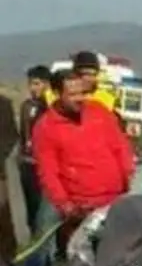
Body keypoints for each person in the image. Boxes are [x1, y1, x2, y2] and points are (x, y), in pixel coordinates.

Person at [30, 69, 135, 244]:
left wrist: (131, 178)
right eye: (72, 94)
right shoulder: (46, 127)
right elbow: (48, 173)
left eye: (82, 93)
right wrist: (66, 206)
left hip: (116, 203)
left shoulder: (99, 112)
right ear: (57, 94)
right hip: (83, 209)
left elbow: (121, 147)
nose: (80, 99)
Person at [17, 66, 51, 233]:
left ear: (46, 84)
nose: (33, 88)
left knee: (43, 211)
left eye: (37, 84)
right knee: (30, 210)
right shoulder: (25, 106)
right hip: (27, 164)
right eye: (31, 84)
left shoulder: (51, 108)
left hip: (44, 166)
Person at [70, 50, 121, 115]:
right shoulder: (62, 97)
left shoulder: (107, 100)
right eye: (84, 74)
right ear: (74, 74)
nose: (88, 79)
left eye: (93, 74)